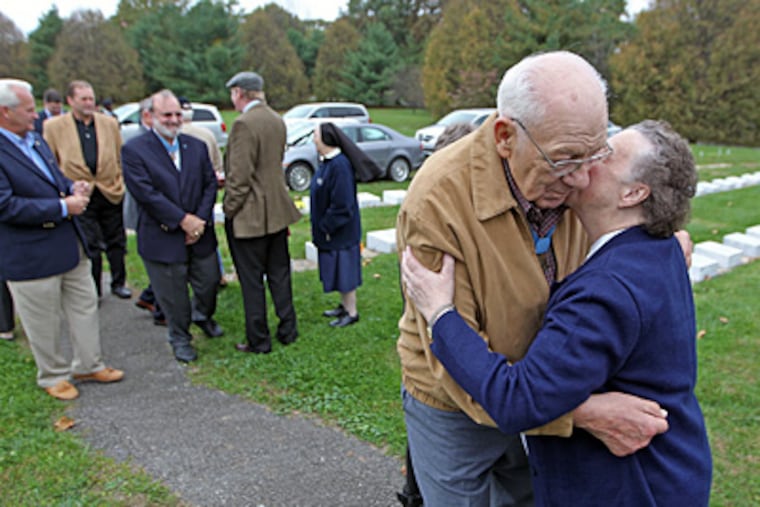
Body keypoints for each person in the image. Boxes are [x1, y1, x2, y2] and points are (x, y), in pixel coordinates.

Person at [395, 51, 671, 506]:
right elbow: (453, 362)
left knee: (530, 497)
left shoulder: (574, 177)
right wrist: (576, 414)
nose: (584, 179)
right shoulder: (437, 202)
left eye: (595, 153)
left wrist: (663, 247)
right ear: (505, 136)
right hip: (455, 404)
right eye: (565, 160)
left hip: (539, 386)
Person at [0, 78, 124, 400]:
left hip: (70, 245)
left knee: (85, 305)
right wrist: (61, 207)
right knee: (42, 319)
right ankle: (52, 375)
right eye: (28, 110)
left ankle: (88, 363)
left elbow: (54, 177)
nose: (35, 115)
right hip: (29, 253)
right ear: (5, 113)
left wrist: (72, 187)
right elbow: (5, 205)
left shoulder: (35, 140)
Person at [122, 90, 222, 363]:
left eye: (178, 114)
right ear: (149, 116)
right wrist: (182, 221)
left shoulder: (196, 146)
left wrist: (198, 221)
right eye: (167, 114)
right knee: (173, 295)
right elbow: (146, 193)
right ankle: (180, 337)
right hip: (162, 237)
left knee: (209, 282)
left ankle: (202, 316)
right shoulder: (134, 151)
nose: (174, 120)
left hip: (200, 233)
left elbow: (209, 184)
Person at [223, 71, 301, 354]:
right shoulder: (276, 119)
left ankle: (258, 339)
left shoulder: (244, 124)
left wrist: (229, 209)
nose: (231, 99)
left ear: (241, 93)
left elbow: (239, 177)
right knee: (280, 273)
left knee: (251, 279)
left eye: (232, 93)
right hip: (278, 211)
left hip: (250, 216)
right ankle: (288, 329)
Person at [43, 80, 131, 300]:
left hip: (109, 189)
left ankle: (119, 282)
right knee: (91, 243)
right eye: (84, 99)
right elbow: (51, 161)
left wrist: (119, 178)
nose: (89, 103)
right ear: (71, 101)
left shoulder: (109, 123)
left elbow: (120, 155)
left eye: (91, 98)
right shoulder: (54, 126)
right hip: (80, 193)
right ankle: (94, 289)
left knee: (116, 240)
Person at [311, 123, 379, 327]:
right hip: (331, 232)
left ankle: (352, 312)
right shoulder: (328, 163)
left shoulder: (340, 166)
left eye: (315, 135)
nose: (313, 139)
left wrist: (326, 226)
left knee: (345, 271)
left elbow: (342, 205)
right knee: (337, 272)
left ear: (325, 139)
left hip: (340, 231)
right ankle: (343, 306)